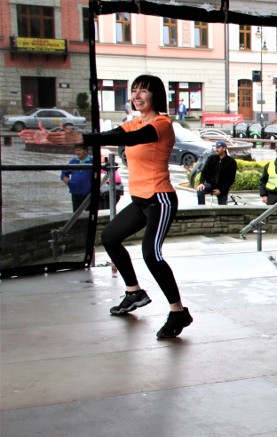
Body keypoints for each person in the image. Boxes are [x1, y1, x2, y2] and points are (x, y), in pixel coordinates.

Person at [58, 74, 193, 339]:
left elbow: (135, 139)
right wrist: (79, 138)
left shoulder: (162, 124)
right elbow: (112, 135)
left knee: (151, 253)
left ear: (155, 95)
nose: (136, 95)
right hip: (140, 200)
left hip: (160, 199)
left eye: (143, 91)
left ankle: (178, 312)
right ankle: (134, 292)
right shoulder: (133, 123)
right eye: (133, 91)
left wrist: (83, 139)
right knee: (110, 237)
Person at [196, 141, 237, 205]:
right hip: (210, 184)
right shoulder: (211, 158)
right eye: (216, 147)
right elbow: (204, 171)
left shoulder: (231, 162)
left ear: (224, 148)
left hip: (222, 187)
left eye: (218, 147)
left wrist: (221, 191)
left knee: (222, 209)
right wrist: (201, 183)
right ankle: (202, 210)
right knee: (200, 190)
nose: (216, 149)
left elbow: (231, 179)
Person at [60, 144, 93, 212]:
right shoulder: (73, 162)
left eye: (79, 150)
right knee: (76, 213)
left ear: (86, 151)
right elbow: (64, 173)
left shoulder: (92, 161)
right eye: (76, 150)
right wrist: (65, 179)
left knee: (88, 213)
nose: (77, 152)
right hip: (75, 192)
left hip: (88, 193)